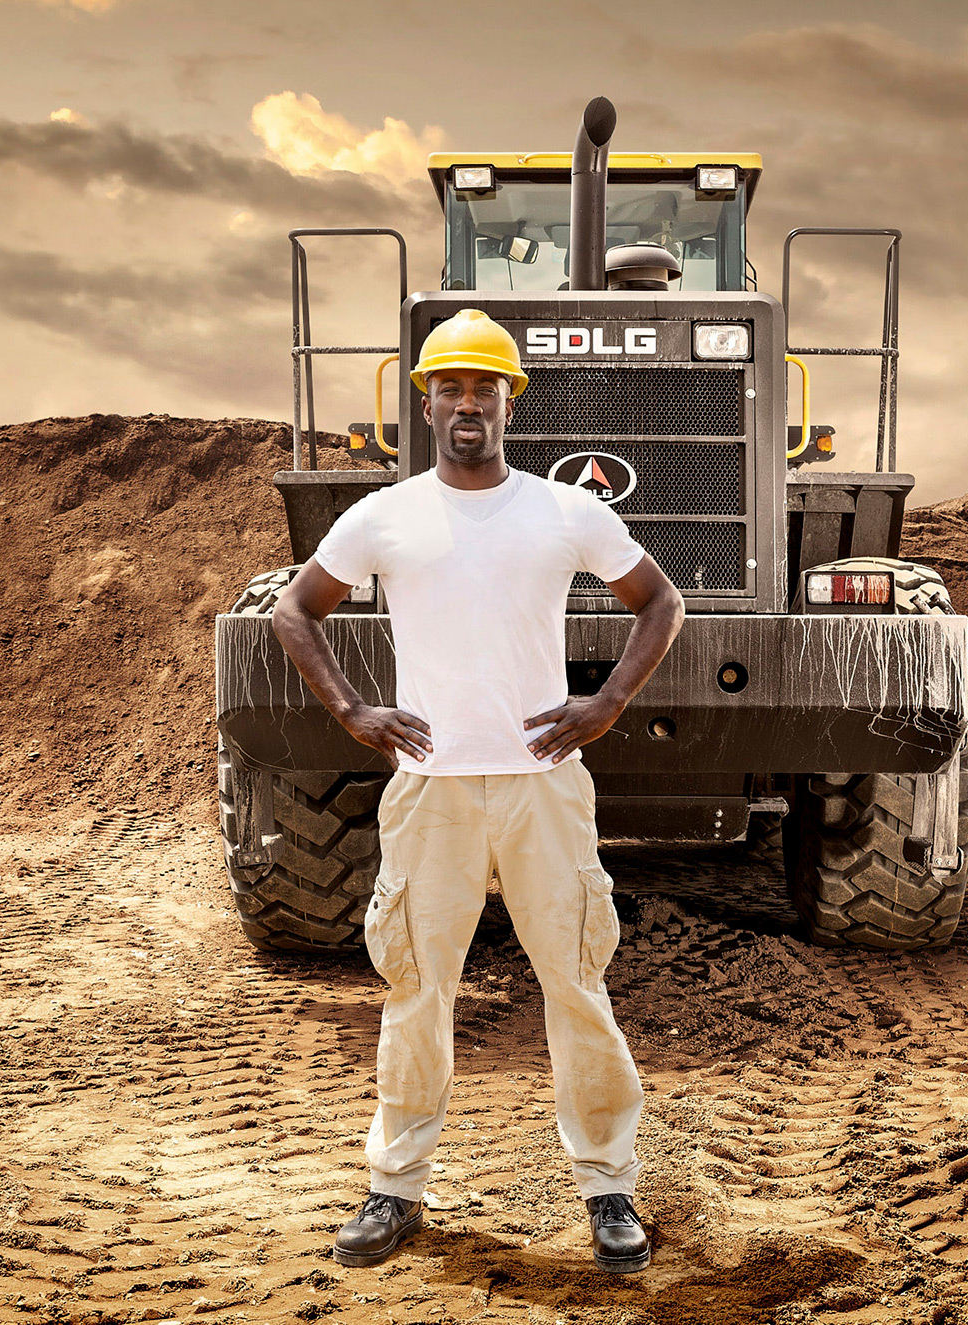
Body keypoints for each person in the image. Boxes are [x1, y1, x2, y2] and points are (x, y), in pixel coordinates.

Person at [270, 308, 684, 1274]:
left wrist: (609, 703)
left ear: (509, 403)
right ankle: (396, 1186)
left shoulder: (566, 511)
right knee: (418, 987)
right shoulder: (384, 515)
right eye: (449, 387)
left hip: (544, 786)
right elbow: (296, 609)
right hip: (430, 792)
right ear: (425, 404)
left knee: (575, 983)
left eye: (484, 388)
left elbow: (659, 601)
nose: (467, 402)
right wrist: (354, 712)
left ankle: (609, 1186)